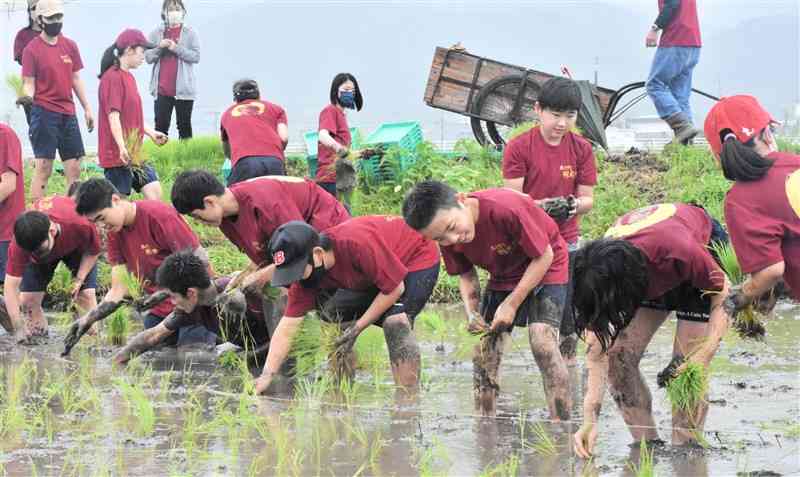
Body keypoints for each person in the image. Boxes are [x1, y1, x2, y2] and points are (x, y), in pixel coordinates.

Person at [571, 203, 732, 457]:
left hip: (697, 255)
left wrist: (704, 355)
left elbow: (724, 294)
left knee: (685, 366)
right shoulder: (597, 276)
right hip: (642, 270)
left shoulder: (678, 250)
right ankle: (648, 448)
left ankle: (686, 451)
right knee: (618, 357)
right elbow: (596, 352)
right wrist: (589, 420)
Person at [402, 181, 571, 418]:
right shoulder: (448, 237)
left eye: (452, 227)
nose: (453, 239)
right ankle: (485, 422)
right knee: (484, 351)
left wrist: (512, 303)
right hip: (503, 273)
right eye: (441, 238)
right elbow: (466, 274)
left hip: (547, 263)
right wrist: (473, 314)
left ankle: (560, 425)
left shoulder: (505, 209)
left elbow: (545, 255)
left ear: (461, 199)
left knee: (542, 342)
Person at [253, 217, 440, 396]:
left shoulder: (356, 243)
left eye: (297, 271)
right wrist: (266, 375)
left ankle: (407, 399)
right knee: (332, 315)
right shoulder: (306, 278)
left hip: (416, 257)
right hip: (375, 273)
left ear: (317, 254)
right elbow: (287, 328)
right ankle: (342, 387)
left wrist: (357, 328)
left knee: (395, 322)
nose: (295, 279)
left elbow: (395, 289)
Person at [502, 77, 597, 365]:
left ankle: (567, 371)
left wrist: (570, 205)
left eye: (569, 116)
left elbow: (588, 200)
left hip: (564, 242)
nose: (562, 123)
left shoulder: (581, 149)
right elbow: (511, 201)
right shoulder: (519, 148)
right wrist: (540, 207)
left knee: (567, 321)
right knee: (505, 317)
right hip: (526, 244)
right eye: (555, 115)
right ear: (538, 110)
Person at [62, 178, 214, 356]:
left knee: (195, 359)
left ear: (115, 200)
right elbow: (119, 289)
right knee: (155, 361)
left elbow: (201, 264)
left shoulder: (158, 215)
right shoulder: (115, 233)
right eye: (95, 222)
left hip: (193, 305)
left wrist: (165, 293)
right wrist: (86, 320)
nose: (102, 226)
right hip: (159, 311)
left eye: (102, 218)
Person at [170, 171, 350, 292]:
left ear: (210, 202)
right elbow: (263, 255)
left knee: (324, 293)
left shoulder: (267, 203)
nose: (201, 223)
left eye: (198, 216)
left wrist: (262, 275)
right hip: (297, 243)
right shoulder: (224, 218)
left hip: (325, 227)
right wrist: (245, 275)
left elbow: (302, 251)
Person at [704, 95, 800, 303]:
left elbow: (771, 270)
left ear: (717, 157)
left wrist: (740, 297)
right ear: (767, 134)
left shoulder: (740, 201)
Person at [112, 250, 270, 365]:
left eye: (173, 297)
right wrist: (117, 360)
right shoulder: (191, 307)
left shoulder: (240, 294)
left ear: (191, 293)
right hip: (251, 348)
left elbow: (287, 330)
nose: (173, 303)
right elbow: (154, 335)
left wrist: (250, 358)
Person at [19, 0, 94, 202]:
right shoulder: (31, 50)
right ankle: (37, 214)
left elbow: (76, 78)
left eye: (59, 16)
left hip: (68, 113)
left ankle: (71, 212)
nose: (56, 21)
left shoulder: (70, 46)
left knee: (74, 166)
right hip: (44, 113)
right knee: (44, 167)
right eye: (51, 17)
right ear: (40, 19)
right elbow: (28, 83)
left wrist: (87, 107)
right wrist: (26, 96)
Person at [4, 195, 100, 339]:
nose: (38, 254)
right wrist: (18, 329)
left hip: (77, 249)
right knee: (28, 302)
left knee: (85, 295)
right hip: (39, 256)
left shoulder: (80, 223)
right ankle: (39, 343)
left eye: (40, 251)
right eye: (32, 252)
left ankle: (92, 343)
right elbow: (10, 287)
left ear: (52, 232)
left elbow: (93, 251)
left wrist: (79, 279)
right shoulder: (20, 243)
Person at [98, 29, 168, 201]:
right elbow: (113, 117)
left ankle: (148, 226)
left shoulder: (129, 77)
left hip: (135, 152)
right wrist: (121, 147)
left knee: (155, 193)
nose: (144, 56)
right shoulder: (112, 78)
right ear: (129, 50)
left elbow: (131, 116)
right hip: (117, 155)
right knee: (118, 206)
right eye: (142, 51)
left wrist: (151, 133)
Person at [645, 0, 701, 144]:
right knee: (680, 96)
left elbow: (672, 4)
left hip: (676, 40)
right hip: (693, 43)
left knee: (655, 85)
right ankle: (686, 144)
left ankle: (682, 127)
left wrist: (655, 28)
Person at [145, 0, 199, 140]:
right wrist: (160, 47)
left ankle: (187, 158)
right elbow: (148, 57)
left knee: (184, 126)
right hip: (162, 90)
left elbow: (195, 56)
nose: (174, 12)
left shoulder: (190, 33)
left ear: (183, 11)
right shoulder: (156, 33)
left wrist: (176, 48)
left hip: (184, 90)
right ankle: (161, 157)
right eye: (171, 9)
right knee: (161, 127)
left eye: (177, 8)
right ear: (164, 12)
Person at [220, 79, 288, 185]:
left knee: (234, 198)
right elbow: (283, 138)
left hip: (244, 162)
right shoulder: (276, 109)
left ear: (235, 98)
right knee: (276, 198)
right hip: (274, 161)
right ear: (259, 95)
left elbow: (228, 150)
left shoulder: (227, 114)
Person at [316, 73, 363, 200]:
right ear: (336, 90)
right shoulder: (330, 111)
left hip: (342, 175)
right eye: (346, 90)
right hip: (330, 178)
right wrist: (338, 148)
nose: (350, 93)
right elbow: (322, 135)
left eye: (352, 91)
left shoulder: (342, 115)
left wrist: (362, 153)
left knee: (344, 215)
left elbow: (345, 152)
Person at [0, 123, 26, 338]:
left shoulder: (5, 135)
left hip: (6, 230)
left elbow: (8, 185)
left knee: (11, 290)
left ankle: (23, 336)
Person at [12, 0, 41, 125]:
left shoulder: (56, 35)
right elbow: (21, 58)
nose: (37, 11)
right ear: (29, 12)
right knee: (35, 127)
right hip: (30, 87)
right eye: (34, 8)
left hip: (53, 88)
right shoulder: (23, 35)